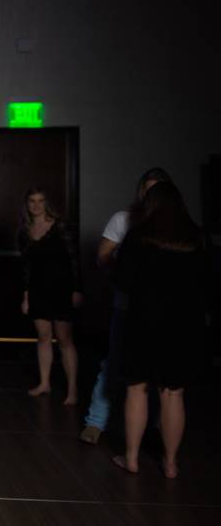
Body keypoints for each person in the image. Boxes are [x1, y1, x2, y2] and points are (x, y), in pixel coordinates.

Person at [112, 182, 208, 478]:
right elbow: (210, 286)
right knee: (173, 394)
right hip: (183, 326)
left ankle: (131, 458)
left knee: (137, 389)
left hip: (144, 321)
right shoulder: (197, 238)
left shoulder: (138, 236)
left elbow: (122, 281)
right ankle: (170, 463)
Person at [80, 167, 172, 444]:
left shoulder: (174, 225)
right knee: (114, 365)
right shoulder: (124, 220)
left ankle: (153, 426)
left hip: (164, 310)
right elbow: (103, 257)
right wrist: (125, 278)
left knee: (161, 372)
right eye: (148, 188)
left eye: (157, 189)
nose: (151, 195)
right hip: (127, 306)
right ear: (141, 191)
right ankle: (96, 421)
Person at [18, 187, 82, 405]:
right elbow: (25, 267)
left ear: (47, 203)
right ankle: (45, 383)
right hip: (38, 289)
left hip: (62, 289)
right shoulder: (25, 230)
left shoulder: (60, 226)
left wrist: (76, 289)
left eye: (40, 200)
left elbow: (74, 259)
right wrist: (26, 296)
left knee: (64, 339)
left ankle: (73, 389)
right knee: (43, 337)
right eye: (32, 201)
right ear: (27, 204)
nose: (36, 205)